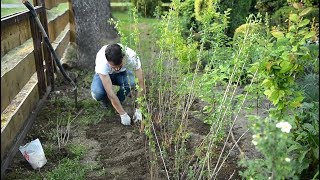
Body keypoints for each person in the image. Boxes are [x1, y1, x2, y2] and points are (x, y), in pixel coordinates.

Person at [90, 43, 145, 125]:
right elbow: (110, 92)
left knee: (132, 82)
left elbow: (141, 83)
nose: (116, 69)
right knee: (97, 93)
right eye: (113, 67)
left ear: (123, 57)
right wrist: (122, 114)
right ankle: (106, 102)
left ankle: (119, 100)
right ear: (107, 61)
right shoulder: (102, 62)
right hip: (104, 75)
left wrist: (139, 109)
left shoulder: (132, 56)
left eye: (119, 65)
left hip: (122, 74)